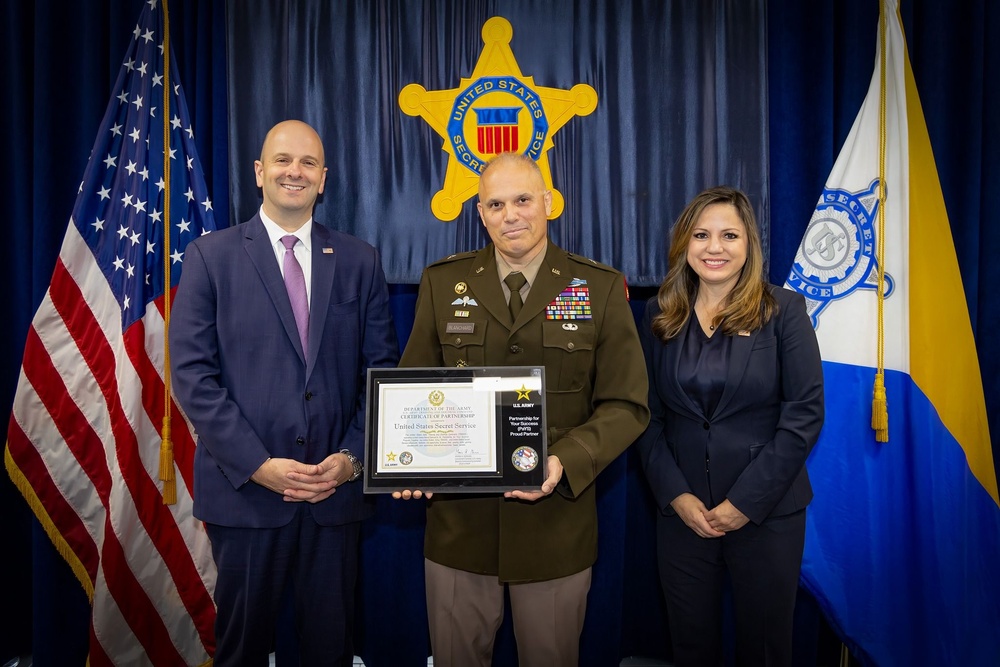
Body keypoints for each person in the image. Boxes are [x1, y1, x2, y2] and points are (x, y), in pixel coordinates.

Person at [396, 152, 650, 667]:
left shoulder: (596, 287)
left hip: (555, 529)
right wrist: (410, 455)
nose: (510, 214)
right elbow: (415, 391)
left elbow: (626, 404)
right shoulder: (444, 283)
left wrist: (563, 460)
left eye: (522, 200)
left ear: (550, 204)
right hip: (459, 531)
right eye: (495, 203)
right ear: (481, 214)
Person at [169, 120, 398, 666]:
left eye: (308, 163)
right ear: (259, 172)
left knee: (330, 648)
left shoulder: (359, 260)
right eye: (282, 160)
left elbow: (381, 373)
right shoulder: (210, 257)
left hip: (333, 494)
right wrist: (259, 465)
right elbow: (193, 378)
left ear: (324, 179)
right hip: (247, 495)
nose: (294, 171)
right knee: (242, 649)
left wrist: (349, 460)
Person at [635, 186, 824, 666]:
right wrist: (676, 496)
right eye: (701, 235)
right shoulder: (658, 315)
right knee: (690, 647)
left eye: (728, 235)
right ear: (684, 244)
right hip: (683, 516)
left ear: (749, 245)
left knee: (764, 649)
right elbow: (645, 414)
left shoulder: (784, 312)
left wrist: (743, 503)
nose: (714, 247)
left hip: (766, 512)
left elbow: (803, 413)